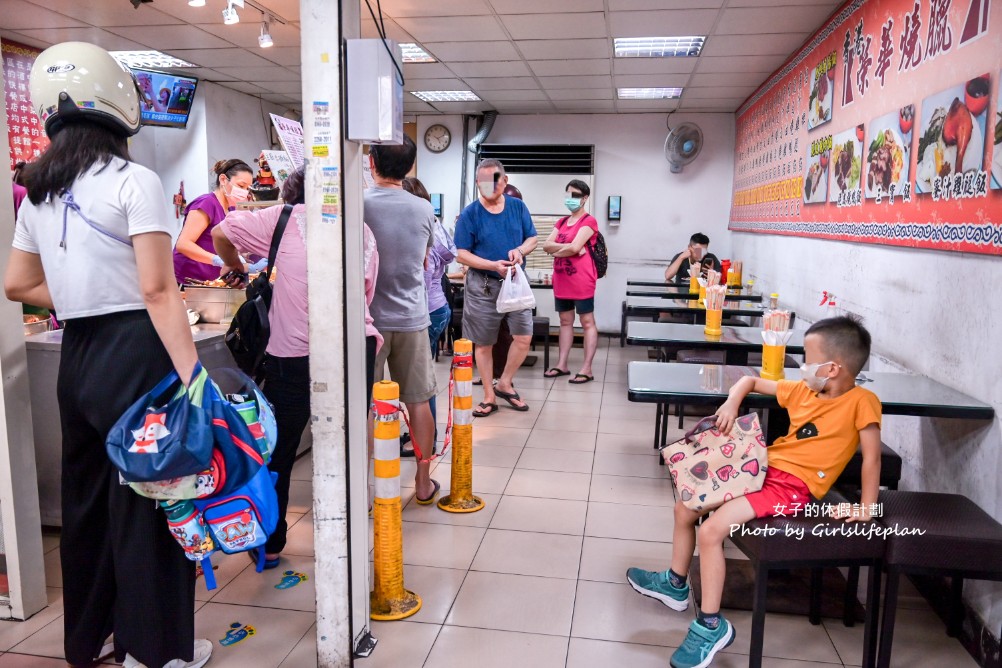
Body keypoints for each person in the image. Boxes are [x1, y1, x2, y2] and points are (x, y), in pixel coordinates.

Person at [5, 42, 209, 668]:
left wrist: (75, 297)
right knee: (151, 502)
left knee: (87, 504)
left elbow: (15, 284)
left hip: (79, 359)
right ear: (119, 106)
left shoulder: (36, 190)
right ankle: (157, 653)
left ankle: (88, 642)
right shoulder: (133, 180)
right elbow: (157, 288)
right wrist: (194, 377)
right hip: (137, 355)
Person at [626, 316, 882, 668]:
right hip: (762, 468)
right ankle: (675, 584)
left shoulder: (862, 402)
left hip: (792, 487)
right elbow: (748, 380)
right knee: (685, 508)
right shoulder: (805, 389)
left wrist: (867, 507)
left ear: (833, 367)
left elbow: (871, 459)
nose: (804, 367)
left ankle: (711, 625)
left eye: (808, 358)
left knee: (713, 530)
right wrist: (733, 402)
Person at [364, 136, 439, 504]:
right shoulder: (423, 209)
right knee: (419, 401)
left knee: (365, 403)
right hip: (411, 316)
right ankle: (423, 483)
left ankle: (364, 488)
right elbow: (425, 259)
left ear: (372, 163)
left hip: (367, 319)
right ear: (409, 168)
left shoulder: (356, 203)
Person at [455, 159, 538, 416]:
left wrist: (520, 250)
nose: (487, 186)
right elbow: (461, 254)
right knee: (483, 343)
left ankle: (504, 383)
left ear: (504, 180)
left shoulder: (517, 207)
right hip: (484, 285)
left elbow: (532, 238)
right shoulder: (470, 214)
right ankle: (489, 396)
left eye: (493, 180)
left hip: (514, 283)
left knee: (523, 337)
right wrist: (491, 265)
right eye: (482, 181)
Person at [402, 176, 455, 454]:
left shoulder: (421, 234)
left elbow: (419, 283)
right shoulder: (433, 226)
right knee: (422, 380)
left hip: (427, 311)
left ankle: (425, 441)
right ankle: (420, 434)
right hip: (439, 308)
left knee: (420, 384)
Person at [542, 179, 599, 384]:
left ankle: (587, 369)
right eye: (568, 195)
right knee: (565, 322)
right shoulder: (562, 222)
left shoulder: (589, 222)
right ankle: (562, 364)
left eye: (575, 195)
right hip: (562, 279)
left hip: (582, 280)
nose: (570, 199)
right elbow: (546, 245)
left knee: (586, 322)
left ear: (584, 198)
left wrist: (559, 249)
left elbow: (575, 248)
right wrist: (564, 249)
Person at [173, 158, 259, 284]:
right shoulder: (206, 203)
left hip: (210, 280)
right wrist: (218, 260)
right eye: (241, 186)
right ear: (223, 179)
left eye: (247, 188)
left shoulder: (231, 209)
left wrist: (237, 257)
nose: (244, 192)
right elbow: (183, 244)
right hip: (186, 278)